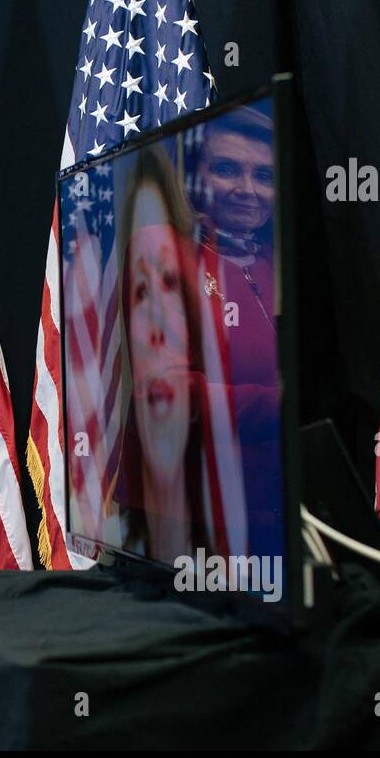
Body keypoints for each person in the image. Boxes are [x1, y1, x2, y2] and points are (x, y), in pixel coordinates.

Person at [115, 146, 214, 562]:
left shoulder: (248, 559)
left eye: (170, 281)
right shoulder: (106, 543)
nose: (156, 324)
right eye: (139, 290)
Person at [194, 105, 283, 560]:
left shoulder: (277, 263)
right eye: (227, 169)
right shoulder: (164, 255)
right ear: (195, 177)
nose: (248, 191)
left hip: (282, 511)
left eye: (264, 176)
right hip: (196, 520)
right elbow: (166, 394)